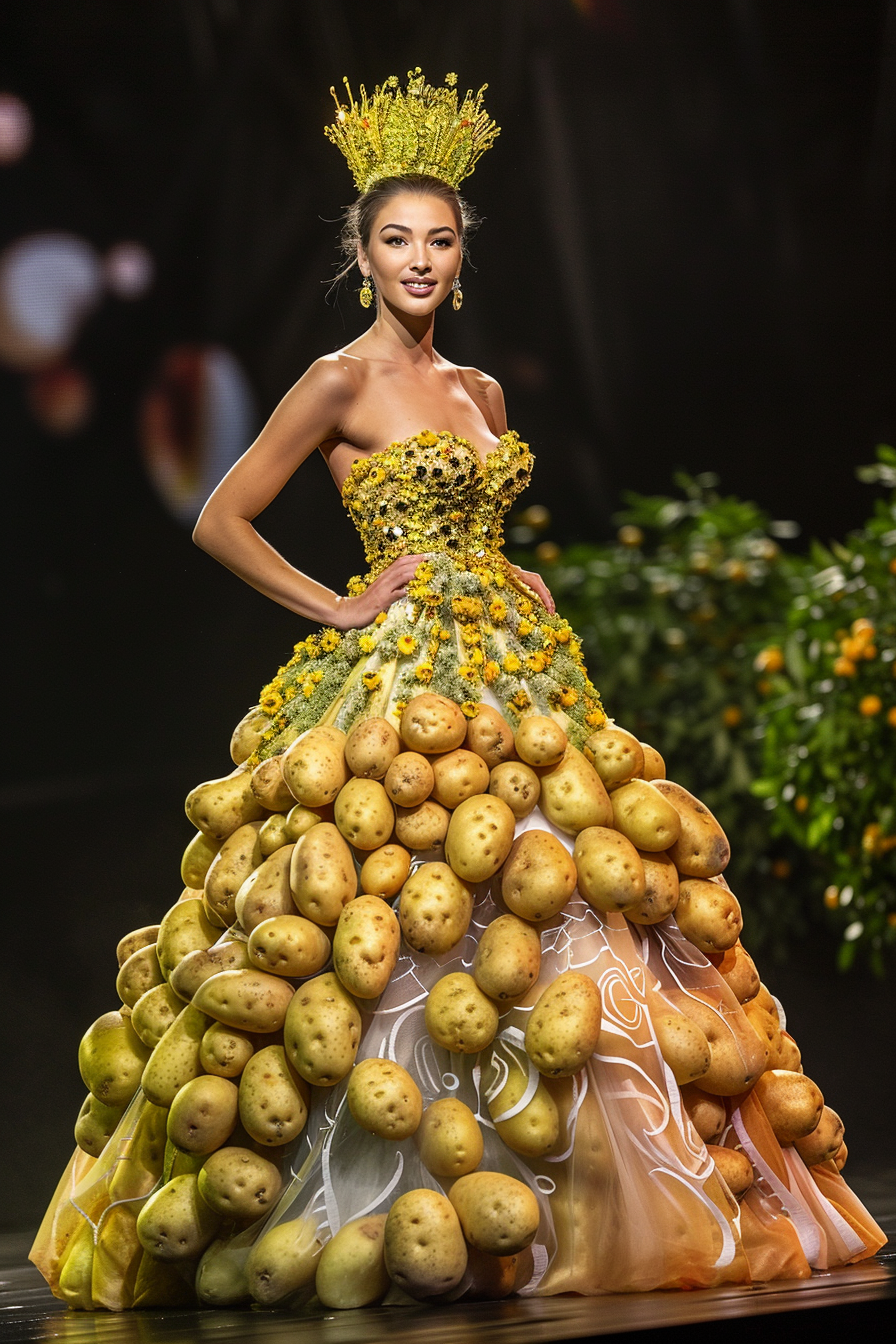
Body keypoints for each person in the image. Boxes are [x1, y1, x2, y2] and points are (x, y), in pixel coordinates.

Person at [31, 70, 885, 1313]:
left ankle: (569, 1203)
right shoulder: (335, 380)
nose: (417, 260)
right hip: (394, 675)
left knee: (567, 908)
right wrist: (336, 603)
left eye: (437, 241)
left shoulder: (480, 393)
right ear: (361, 256)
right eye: (395, 241)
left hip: (514, 669)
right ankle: (382, 1199)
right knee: (396, 915)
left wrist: (516, 576)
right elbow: (221, 516)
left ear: (459, 257)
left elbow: (474, 519)